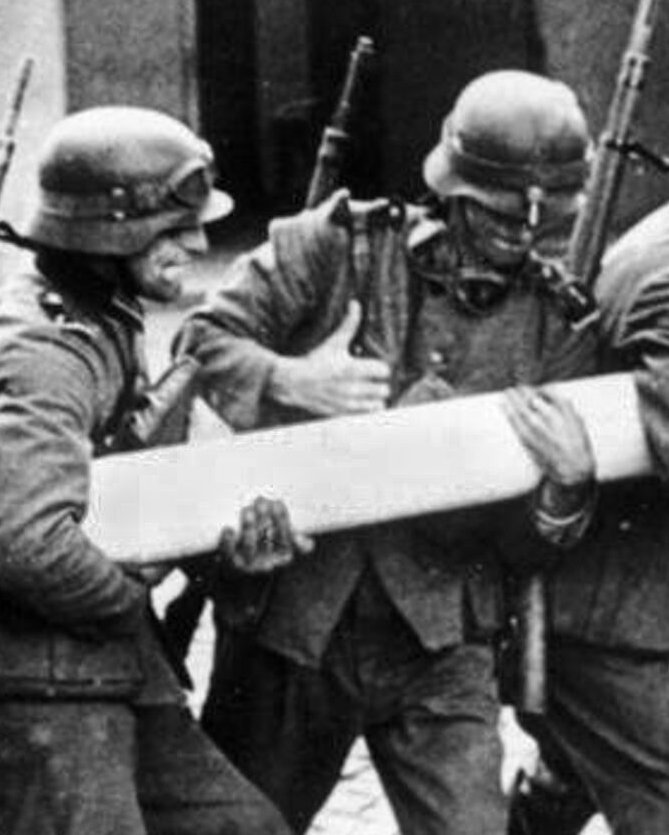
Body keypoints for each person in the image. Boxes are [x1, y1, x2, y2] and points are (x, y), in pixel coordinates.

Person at [182, 70, 601, 835]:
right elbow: (198, 344)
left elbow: (530, 542)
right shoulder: (335, 245)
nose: (524, 239)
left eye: (542, 225)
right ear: (454, 191)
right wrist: (289, 378)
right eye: (505, 218)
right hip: (293, 622)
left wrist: (565, 494)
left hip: (441, 640)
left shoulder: (560, 325)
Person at [0, 105, 293, 835]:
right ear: (112, 234)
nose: (198, 244)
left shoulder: (103, 316)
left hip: (81, 666)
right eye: (175, 230)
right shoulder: (44, 352)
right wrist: (136, 585)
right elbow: (29, 545)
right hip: (12, 686)